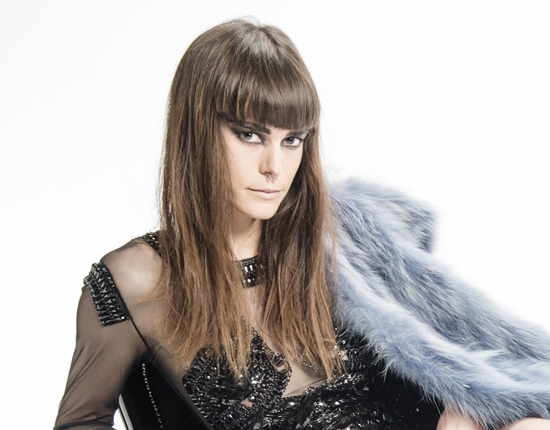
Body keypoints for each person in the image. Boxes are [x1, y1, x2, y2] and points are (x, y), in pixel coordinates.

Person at [54, 19, 550, 430]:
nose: (275, 166)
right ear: (197, 130)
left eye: (293, 140)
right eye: (250, 135)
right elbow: (81, 420)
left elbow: (464, 363)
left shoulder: (343, 239)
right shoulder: (137, 280)